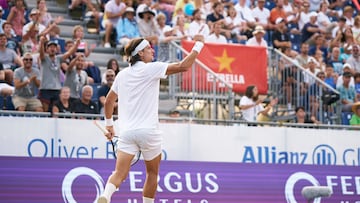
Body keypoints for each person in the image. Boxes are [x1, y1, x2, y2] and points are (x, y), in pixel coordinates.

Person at [97, 37, 204, 203]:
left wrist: (109, 125)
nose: (152, 51)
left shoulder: (122, 75)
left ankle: (105, 195)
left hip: (127, 133)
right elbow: (184, 65)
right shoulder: (152, 68)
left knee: (119, 173)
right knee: (152, 173)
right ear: (140, 53)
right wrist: (198, 45)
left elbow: (109, 101)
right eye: (149, 48)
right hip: (149, 133)